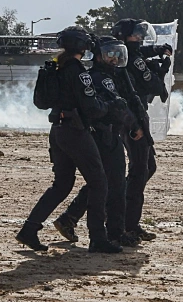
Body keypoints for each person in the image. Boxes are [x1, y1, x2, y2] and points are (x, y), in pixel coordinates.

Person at [16, 26, 123, 254]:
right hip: (75, 132)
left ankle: (29, 230)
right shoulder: (78, 72)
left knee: (62, 184)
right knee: (99, 182)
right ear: (82, 47)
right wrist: (112, 106)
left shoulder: (56, 66)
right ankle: (98, 239)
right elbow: (92, 108)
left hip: (58, 130)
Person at [54, 36, 146, 248]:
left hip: (103, 134)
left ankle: (73, 219)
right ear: (97, 56)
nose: (114, 59)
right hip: (103, 135)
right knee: (111, 184)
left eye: (117, 54)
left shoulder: (103, 76)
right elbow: (113, 108)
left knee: (104, 183)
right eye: (109, 54)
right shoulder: (99, 78)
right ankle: (111, 232)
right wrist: (132, 125)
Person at [111, 19, 170, 242]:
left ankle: (120, 214)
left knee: (141, 169)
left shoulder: (120, 55)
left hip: (130, 115)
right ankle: (127, 223)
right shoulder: (130, 59)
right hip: (132, 117)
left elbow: (137, 53)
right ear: (124, 37)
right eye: (136, 35)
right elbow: (152, 84)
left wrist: (155, 50)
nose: (140, 38)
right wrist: (161, 70)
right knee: (137, 172)